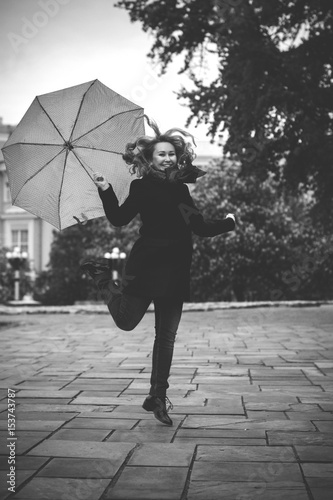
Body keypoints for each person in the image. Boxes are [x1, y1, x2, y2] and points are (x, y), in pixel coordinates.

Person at [81, 116, 236, 426]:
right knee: (126, 321)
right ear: (150, 159)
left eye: (171, 154)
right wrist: (106, 189)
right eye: (161, 154)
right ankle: (102, 277)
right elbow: (119, 219)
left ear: (178, 157)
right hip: (146, 264)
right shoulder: (140, 187)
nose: (167, 158)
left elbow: (198, 226)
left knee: (166, 338)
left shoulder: (180, 191)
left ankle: (157, 397)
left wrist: (228, 222)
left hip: (176, 268)